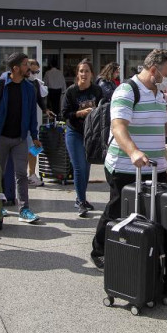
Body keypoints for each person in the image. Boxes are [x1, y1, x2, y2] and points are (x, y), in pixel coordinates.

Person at [90, 49, 167, 270]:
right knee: (118, 210)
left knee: (150, 213)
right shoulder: (127, 91)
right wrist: (134, 151)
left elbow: (161, 126)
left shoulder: (158, 93)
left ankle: (142, 250)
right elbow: (118, 127)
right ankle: (99, 250)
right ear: (153, 70)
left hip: (155, 167)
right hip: (126, 165)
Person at [0, 52, 42, 224]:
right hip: (0, 136)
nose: (28, 68)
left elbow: (32, 115)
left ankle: (24, 209)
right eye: (25, 65)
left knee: (21, 174)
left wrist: (34, 136)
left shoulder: (29, 88)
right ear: (15, 68)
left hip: (20, 138)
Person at [62, 59, 103, 218]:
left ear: (92, 74)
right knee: (79, 167)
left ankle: (82, 199)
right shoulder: (71, 91)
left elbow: (103, 109)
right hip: (74, 132)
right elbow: (64, 114)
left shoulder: (97, 90)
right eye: (81, 71)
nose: (84, 74)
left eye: (87, 71)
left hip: (91, 134)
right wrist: (80, 113)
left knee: (86, 169)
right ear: (77, 74)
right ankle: (80, 201)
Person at [26, 59, 54, 187]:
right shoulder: (21, 82)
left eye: (37, 72)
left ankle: (32, 174)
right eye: (32, 71)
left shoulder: (35, 83)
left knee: (34, 147)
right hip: (20, 122)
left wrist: (46, 110)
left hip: (31, 121)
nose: (34, 74)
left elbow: (39, 99)